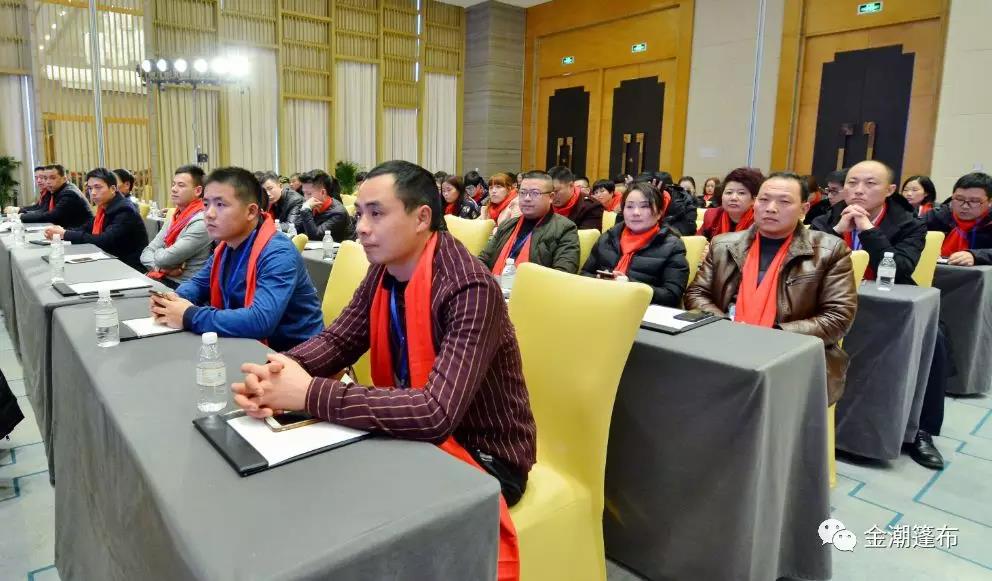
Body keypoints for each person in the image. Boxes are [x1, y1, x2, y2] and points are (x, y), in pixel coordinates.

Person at [230, 160, 536, 580]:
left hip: (484, 454)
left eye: (377, 214)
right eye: (360, 214)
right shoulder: (385, 270)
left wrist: (309, 394)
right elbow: (339, 341)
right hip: (420, 430)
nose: (361, 227)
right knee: (316, 482)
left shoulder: (470, 288)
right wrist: (278, 372)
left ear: (421, 218)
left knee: (348, 509)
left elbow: (434, 412)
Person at [685, 172, 857, 405]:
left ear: (804, 209)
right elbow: (696, 294)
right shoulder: (724, 244)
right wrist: (725, 326)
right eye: (764, 200)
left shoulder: (829, 250)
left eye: (784, 202)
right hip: (724, 343)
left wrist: (773, 334)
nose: (771, 208)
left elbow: (838, 317)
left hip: (793, 355)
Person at [149, 167, 324, 351]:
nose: (209, 213)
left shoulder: (278, 252)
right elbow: (199, 284)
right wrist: (173, 300)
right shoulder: (227, 246)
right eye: (206, 204)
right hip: (247, 345)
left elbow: (260, 320)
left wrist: (189, 315)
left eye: (220, 205)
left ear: (251, 212)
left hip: (296, 354)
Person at [811, 160, 925, 284]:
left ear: (889, 190)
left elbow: (899, 272)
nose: (859, 190)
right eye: (852, 183)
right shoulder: (823, 221)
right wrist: (836, 232)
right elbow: (805, 270)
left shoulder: (910, 225)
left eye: (870, 183)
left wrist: (869, 231)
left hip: (884, 293)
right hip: (832, 292)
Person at [581, 182, 689, 306]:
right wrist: (599, 280)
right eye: (629, 206)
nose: (636, 212)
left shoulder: (672, 246)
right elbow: (584, 275)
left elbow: (672, 296)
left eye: (645, 206)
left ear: (659, 212)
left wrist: (631, 286)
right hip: (601, 304)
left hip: (643, 311)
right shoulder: (608, 237)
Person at [45, 168, 148, 271]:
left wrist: (65, 234)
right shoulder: (104, 207)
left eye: (98, 187)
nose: (93, 193)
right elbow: (86, 228)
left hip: (128, 267)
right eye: (90, 188)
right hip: (109, 260)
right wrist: (61, 231)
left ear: (113, 189)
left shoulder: (124, 210)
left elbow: (104, 240)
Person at [480, 170, 580, 274]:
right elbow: (483, 260)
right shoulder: (507, 225)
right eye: (522, 193)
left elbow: (563, 273)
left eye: (535, 193)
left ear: (551, 197)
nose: (527, 198)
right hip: (495, 282)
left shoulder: (565, 229)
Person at [141, 165, 213, 287]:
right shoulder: (176, 215)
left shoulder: (202, 221)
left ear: (198, 191)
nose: (174, 189)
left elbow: (164, 259)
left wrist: (160, 253)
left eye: (181, 185)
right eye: (173, 184)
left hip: (182, 285)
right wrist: (162, 269)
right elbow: (146, 253)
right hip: (163, 278)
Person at [925, 172, 992, 265]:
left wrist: (976, 256)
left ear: (990, 202)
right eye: (959, 199)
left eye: (974, 201)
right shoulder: (940, 215)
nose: (965, 206)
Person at [697, 167, 764, 240]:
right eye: (729, 192)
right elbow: (698, 241)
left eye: (741, 193)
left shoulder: (761, 222)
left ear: (754, 199)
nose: (733, 198)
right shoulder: (712, 216)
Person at [20, 164, 91, 228]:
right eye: (45, 178)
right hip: (66, 229)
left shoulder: (69, 193)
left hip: (80, 232)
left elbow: (52, 216)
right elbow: (43, 210)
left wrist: (21, 217)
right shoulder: (55, 191)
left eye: (52, 178)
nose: (48, 182)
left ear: (64, 179)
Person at [295, 169, 353, 241]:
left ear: (323, 192)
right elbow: (296, 228)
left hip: (337, 248)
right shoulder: (310, 206)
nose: (305, 198)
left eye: (309, 194)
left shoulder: (338, 213)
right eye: (304, 193)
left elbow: (315, 238)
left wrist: (305, 210)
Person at [548, 166, 604, 231]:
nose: (552, 196)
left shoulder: (591, 207)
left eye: (556, 191)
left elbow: (586, 236)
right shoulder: (545, 203)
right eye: (549, 191)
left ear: (571, 185)